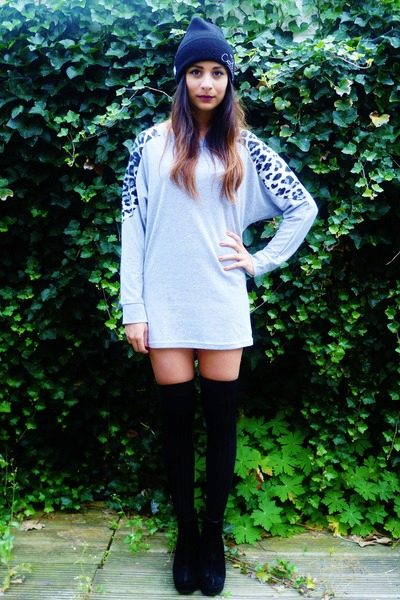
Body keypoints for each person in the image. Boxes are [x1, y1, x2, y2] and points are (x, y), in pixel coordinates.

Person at [120, 16, 318, 597]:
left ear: (229, 80)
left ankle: (212, 535)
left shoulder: (245, 147)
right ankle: (185, 535)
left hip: (220, 301)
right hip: (163, 303)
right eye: (196, 71)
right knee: (177, 426)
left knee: (221, 422)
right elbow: (131, 226)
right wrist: (134, 307)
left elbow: (302, 207)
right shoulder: (150, 144)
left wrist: (259, 260)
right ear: (181, 79)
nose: (207, 82)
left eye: (217, 72)